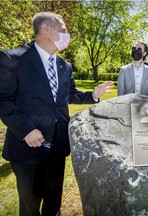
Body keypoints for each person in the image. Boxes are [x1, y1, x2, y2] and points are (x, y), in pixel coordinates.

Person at [0, 12, 114, 216]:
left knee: (53, 206)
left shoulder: (65, 66)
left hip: (58, 146)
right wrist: (26, 130)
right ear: (46, 31)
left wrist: (93, 95)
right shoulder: (14, 59)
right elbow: (3, 101)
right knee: (30, 208)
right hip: (28, 149)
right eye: (63, 30)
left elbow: (69, 94)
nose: (67, 35)